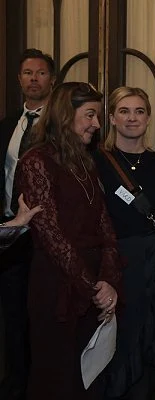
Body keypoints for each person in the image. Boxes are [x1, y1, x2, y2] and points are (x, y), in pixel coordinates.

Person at [16, 82, 121, 400]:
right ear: (65, 115)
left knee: (89, 381)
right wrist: (92, 286)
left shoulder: (85, 161)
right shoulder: (36, 161)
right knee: (57, 378)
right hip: (56, 284)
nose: (97, 124)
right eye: (90, 115)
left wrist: (109, 280)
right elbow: (51, 236)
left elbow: (106, 226)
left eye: (98, 116)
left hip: (93, 284)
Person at [93, 86, 155, 399]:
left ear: (148, 118)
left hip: (144, 262)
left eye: (139, 111)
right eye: (124, 111)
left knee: (142, 336)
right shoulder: (96, 161)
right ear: (111, 117)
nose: (132, 118)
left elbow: (143, 214)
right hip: (106, 262)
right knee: (110, 339)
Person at [0, 48, 55, 400]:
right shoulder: (8, 126)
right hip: (9, 235)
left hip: (48, 237)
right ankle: (16, 383)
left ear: (52, 80)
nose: (33, 78)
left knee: (45, 316)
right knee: (13, 315)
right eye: (27, 72)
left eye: (40, 73)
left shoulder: (58, 127)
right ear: (19, 79)